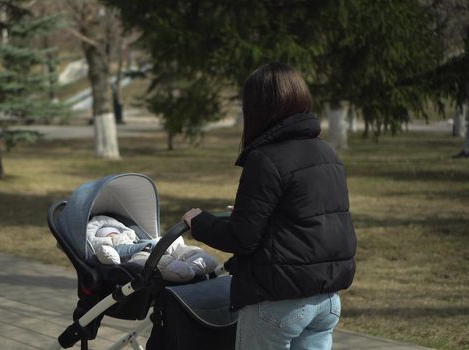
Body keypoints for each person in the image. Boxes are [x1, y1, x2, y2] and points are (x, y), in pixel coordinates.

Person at [182, 62, 357, 350]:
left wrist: (198, 221)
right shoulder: (327, 152)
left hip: (278, 301)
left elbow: (242, 237)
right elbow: (304, 219)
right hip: (326, 299)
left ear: (258, 107)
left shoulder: (265, 158)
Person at [87, 215, 218, 282]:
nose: (114, 235)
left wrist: (158, 242)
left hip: (155, 248)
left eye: (115, 232)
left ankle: (194, 259)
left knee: (177, 246)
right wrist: (110, 254)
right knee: (154, 263)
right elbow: (108, 255)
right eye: (109, 234)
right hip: (137, 258)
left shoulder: (134, 238)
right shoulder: (113, 247)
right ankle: (179, 269)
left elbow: (151, 242)